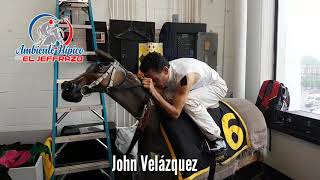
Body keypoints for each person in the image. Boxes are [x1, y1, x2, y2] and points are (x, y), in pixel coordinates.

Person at [140, 52, 228, 151]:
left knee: (189, 101)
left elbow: (176, 113)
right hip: (195, 85)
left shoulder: (184, 77)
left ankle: (217, 140)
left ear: (165, 70)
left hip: (216, 86)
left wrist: (154, 91)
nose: (154, 84)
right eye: (151, 80)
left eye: (155, 80)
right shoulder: (165, 71)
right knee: (166, 95)